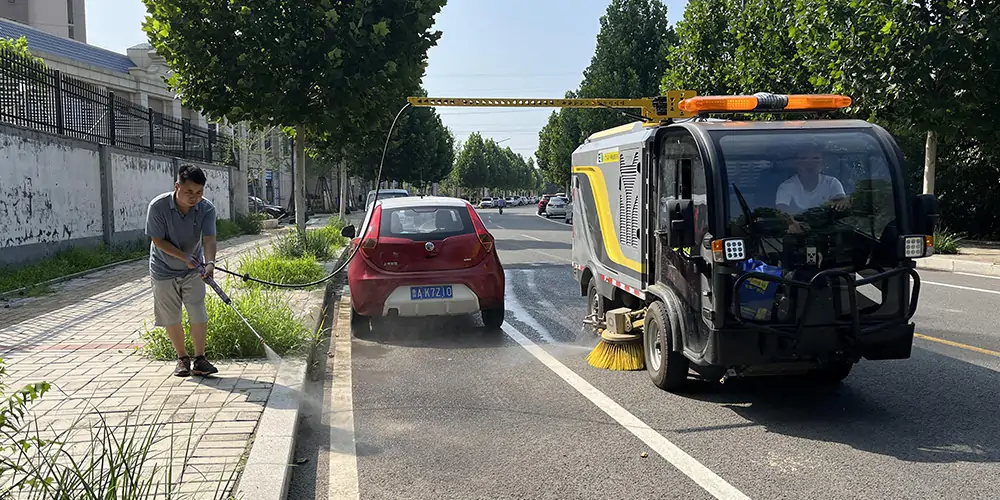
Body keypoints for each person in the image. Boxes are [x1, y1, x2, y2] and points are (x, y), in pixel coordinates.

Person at [145, 164, 220, 377]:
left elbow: (209, 239)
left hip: (193, 269)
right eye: (189, 192)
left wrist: (210, 263)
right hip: (163, 269)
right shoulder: (158, 207)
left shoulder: (206, 209)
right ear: (177, 186)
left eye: (199, 192)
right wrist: (184, 257)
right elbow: (157, 240)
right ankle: (182, 358)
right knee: (172, 315)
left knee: (198, 311)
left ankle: (200, 359)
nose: (194, 197)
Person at [775, 150, 850, 233]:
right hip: (799, 230)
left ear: (823, 164)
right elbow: (781, 209)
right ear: (797, 164)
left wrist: (842, 203)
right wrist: (791, 223)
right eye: (803, 158)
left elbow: (843, 200)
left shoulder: (832, 183)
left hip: (828, 230)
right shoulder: (786, 186)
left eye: (816, 158)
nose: (810, 162)